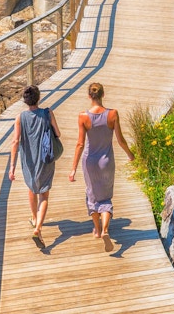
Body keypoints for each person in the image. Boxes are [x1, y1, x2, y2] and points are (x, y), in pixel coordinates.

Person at [68, 82, 134, 252]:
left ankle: (97, 230)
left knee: (92, 196)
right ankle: (105, 229)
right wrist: (130, 154)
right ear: (103, 95)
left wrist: (73, 168)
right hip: (106, 162)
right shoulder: (112, 114)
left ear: (89, 96)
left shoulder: (83, 116)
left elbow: (80, 144)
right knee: (105, 197)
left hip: (89, 162)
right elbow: (120, 140)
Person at [9, 85, 61, 239]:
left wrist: (12, 167)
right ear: (39, 98)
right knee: (44, 195)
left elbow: (15, 142)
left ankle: (34, 217)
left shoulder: (20, 117)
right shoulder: (47, 113)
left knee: (32, 188)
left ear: (25, 100)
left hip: (29, 161)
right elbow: (58, 133)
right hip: (45, 159)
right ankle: (38, 227)